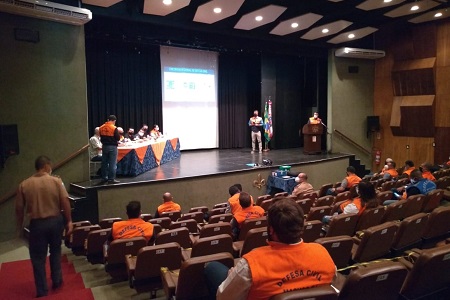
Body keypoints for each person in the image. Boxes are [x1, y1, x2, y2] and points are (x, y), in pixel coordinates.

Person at [205, 199, 336, 299]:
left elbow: (223, 296)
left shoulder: (251, 264)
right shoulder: (322, 252)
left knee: (212, 267)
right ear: (302, 226)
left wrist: (233, 276)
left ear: (271, 230)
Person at [15, 155, 73, 298]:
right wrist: (69, 221)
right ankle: (57, 280)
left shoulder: (24, 184)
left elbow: (19, 208)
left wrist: (20, 226)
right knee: (55, 251)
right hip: (55, 222)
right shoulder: (56, 181)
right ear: (47, 166)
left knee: (38, 258)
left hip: (37, 225)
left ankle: (42, 290)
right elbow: (65, 202)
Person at [99, 115, 120, 184]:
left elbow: (100, 136)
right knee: (112, 164)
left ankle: (104, 178)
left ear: (108, 119)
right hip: (112, 147)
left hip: (104, 146)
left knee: (104, 163)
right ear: (114, 121)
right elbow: (118, 138)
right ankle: (111, 179)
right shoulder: (113, 128)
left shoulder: (101, 127)